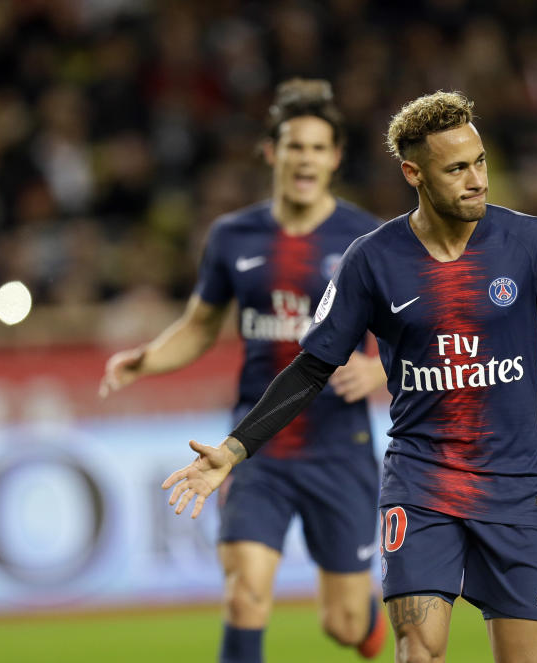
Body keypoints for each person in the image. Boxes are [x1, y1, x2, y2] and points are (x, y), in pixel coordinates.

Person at [161, 92, 537, 663]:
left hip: (515, 489)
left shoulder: (529, 242)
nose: (477, 178)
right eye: (457, 169)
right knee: (419, 649)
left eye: (480, 162)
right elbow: (312, 367)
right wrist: (235, 450)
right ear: (415, 174)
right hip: (421, 483)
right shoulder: (371, 261)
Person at [101, 79, 388, 662]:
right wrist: (147, 358)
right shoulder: (233, 237)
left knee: (344, 622)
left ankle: (365, 618)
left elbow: (421, 333)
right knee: (246, 595)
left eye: (317, 148)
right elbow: (201, 325)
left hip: (340, 444)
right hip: (254, 446)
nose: (304, 158)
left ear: (334, 158)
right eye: (293, 146)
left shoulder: (367, 238)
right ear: (271, 153)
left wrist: (381, 374)